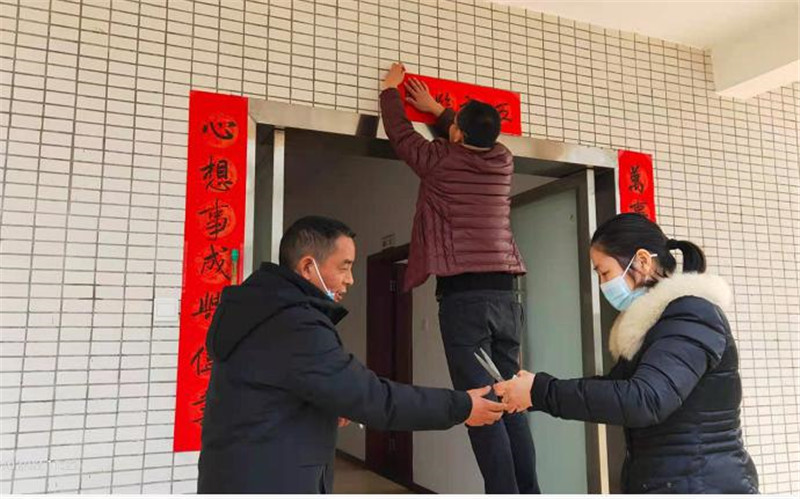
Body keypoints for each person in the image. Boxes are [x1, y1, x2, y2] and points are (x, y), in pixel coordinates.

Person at [197, 216, 505, 494]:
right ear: (308, 267)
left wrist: (323, 407)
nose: (350, 279)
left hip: (240, 474)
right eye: (344, 267)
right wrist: (461, 407)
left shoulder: (262, 310)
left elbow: (272, 395)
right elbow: (373, 398)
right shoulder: (294, 323)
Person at [494, 213, 759, 494]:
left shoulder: (691, 315)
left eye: (605, 273)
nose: (602, 285)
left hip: (702, 484)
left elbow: (645, 400)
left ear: (642, 261)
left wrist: (540, 391)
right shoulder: (655, 324)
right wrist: (534, 391)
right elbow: (618, 388)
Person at [379, 63, 539, 494]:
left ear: (456, 134)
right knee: (511, 398)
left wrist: (391, 91)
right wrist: (437, 110)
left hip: (465, 299)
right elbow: (471, 139)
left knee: (481, 405)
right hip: (506, 296)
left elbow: (401, 135)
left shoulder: (439, 160)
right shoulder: (503, 160)